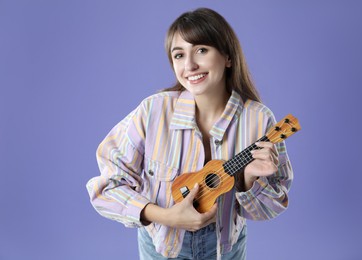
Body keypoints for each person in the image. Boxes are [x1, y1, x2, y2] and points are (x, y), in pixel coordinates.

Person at [86, 7, 293, 260]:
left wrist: (249, 180)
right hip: (162, 247)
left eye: (201, 50)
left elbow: (267, 210)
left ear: (228, 56)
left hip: (224, 249)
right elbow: (106, 187)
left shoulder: (260, 120)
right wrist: (165, 216)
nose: (190, 65)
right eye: (179, 55)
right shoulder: (153, 111)